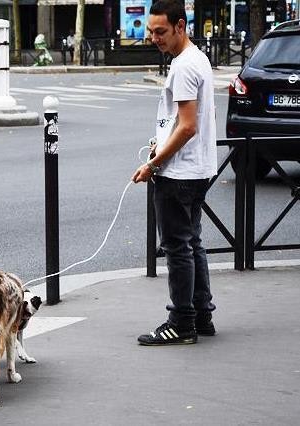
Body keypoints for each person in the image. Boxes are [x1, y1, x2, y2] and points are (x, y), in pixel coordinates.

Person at [131, 0, 217, 346]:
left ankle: (181, 322)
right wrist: (160, 146)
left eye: (161, 31)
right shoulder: (198, 59)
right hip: (198, 168)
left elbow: (187, 127)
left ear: (181, 26)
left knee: (177, 246)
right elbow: (183, 125)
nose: (154, 37)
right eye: (151, 31)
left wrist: (153, 163)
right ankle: (201, 314)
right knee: (191, 241)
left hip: (179, 172)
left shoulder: (183, 67)